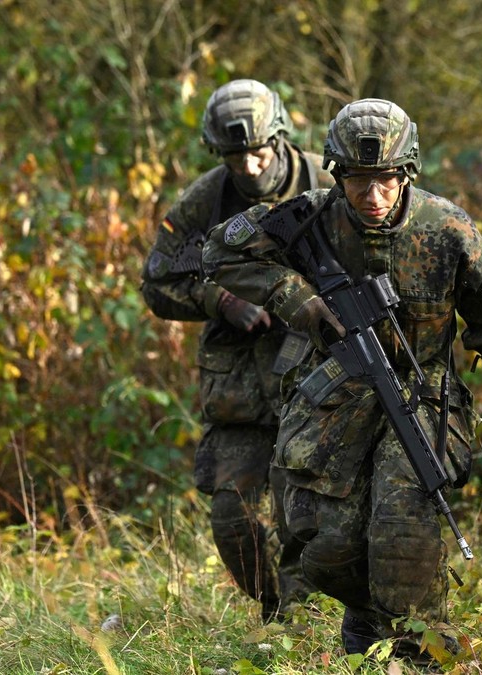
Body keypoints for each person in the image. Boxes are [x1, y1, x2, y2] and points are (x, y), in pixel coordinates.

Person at [201, 98, 482, 658]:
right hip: (332, 393)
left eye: (385, 180)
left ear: (406, 172)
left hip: (422, 394)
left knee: (402, 531)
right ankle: (365, 620)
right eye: (359, 181)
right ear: (338, 174)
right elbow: (217, 254)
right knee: (323, 545)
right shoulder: (308, 217)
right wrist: (300, 300)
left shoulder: (447, 229)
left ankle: (421, 653)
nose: (373, 196)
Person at [140, 79, 333, 621]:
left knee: (307, 505)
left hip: (318, 374)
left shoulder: (325, 180)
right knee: (232, 513)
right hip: (240, 382)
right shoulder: (206, 199)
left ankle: (304, 626)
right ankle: (274, 609)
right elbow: (157, 281)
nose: (247, 166)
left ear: (279, 138)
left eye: (257, 151)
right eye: (233, 154)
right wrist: (219, 300)